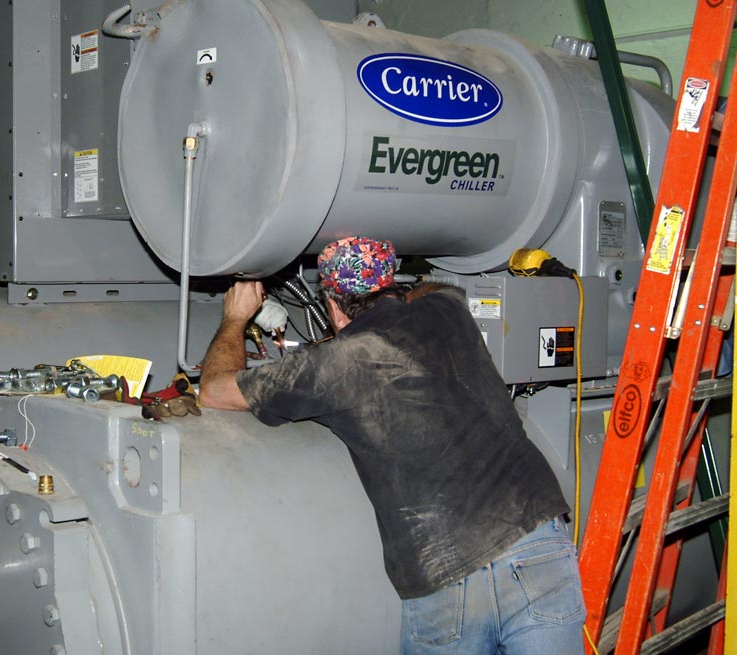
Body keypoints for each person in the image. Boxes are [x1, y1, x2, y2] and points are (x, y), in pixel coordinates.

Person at [199, 236, 586, 654]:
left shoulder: (333, 365)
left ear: (331, 306)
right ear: (391, 284)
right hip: (538, 543)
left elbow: (214, 391)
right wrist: (400, 297)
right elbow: (441, 288)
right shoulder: (449, 311)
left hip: (445, 568)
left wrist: (236, 319)